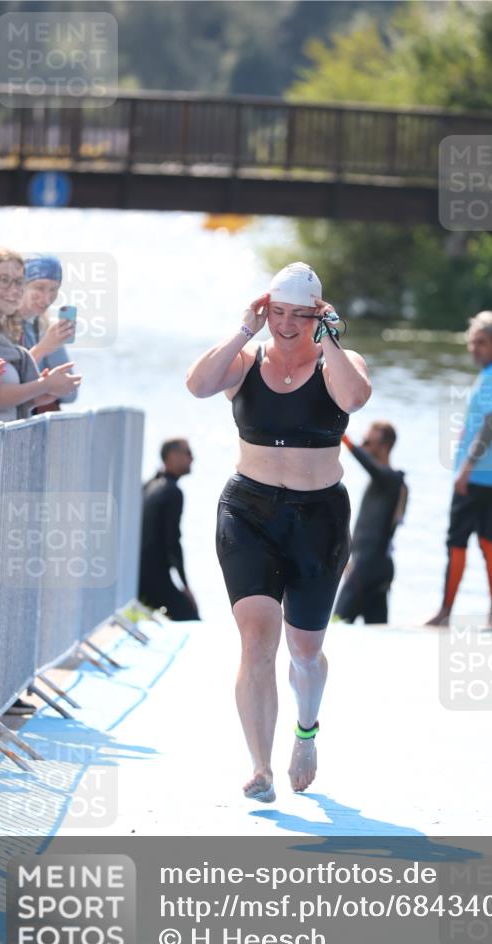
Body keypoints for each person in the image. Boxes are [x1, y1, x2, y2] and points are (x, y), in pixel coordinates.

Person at [186, 262, 371, 802]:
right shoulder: (244, 362)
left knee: (305, 653)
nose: (286, 325)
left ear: (319, 315)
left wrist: (331, 339)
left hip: (319, 519)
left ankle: (305, 734)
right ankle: (259, 768)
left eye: (299, 315)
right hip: (249, 511)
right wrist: (244, 327)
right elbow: (197, 386)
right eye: (277, 313)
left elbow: (355, 399)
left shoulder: (341, 362)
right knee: (256, 640)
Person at [426, 311, 492, 628]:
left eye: (481, 343)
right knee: (489, 539)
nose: (474, 348)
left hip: (478, 474)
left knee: (457, 541)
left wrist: (466, 467)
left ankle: (445, 613)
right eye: (471, 342)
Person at [0, 248, 81, 434]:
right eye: (4, 280)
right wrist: (43, 383)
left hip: (0, 448)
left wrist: (38, 395)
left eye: (19, 281)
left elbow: (70, 394)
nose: (47, 297)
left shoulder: (30, 326)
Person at [334, 421, 407, 625]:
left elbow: (365, 461)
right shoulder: (390, 482)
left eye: (368, 441)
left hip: (367, 567)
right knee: (378, 631)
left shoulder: (390, 479)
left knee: (337, 624)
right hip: (378, 567)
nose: (363, 445)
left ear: (384, 446)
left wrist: (339, 432)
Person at [138, 438, 200, 621]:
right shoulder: (172, 492)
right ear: (172, 456)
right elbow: (172, 543)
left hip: (136, 577)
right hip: (153, 580)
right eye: (188, 453)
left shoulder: (149, 485)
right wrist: (186, 586)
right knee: (191, 616)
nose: (192, 458)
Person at [19, 254, 78, 413]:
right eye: (39, 287)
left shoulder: (41, 328)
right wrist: (44, 347)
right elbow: (4, 387)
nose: (47, 299)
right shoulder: (0, 324)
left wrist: (53, 344)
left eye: (54, 289)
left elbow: (71, 394)